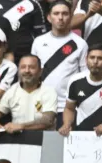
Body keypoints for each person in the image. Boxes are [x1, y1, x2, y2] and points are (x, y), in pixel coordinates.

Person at [31, 0, 87, 128]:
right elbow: (34, 76)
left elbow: (83, 78)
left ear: (70, 16)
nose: (60, 18)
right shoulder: (38, 42)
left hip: (68, 108)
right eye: (56, 14)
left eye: (65, 14)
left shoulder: (80, 44)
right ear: (49, 18)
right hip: (42, 106)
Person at [58, 44, 102, 137]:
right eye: (92, 57)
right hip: (82, 136)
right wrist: (66, 124)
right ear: (86, 60)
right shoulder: (75, 81)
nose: (95, 61)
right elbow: (69, 108)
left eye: (100, 58)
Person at [0, 54, 57, 140]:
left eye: (32, 67)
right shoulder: (12, 91)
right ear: (18, 70)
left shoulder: (49, 91)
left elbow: (48, 120)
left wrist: (21, 126)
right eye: (23, 67)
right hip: (19, 144)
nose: (27, 70)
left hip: (44, 142)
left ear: (40, 71)